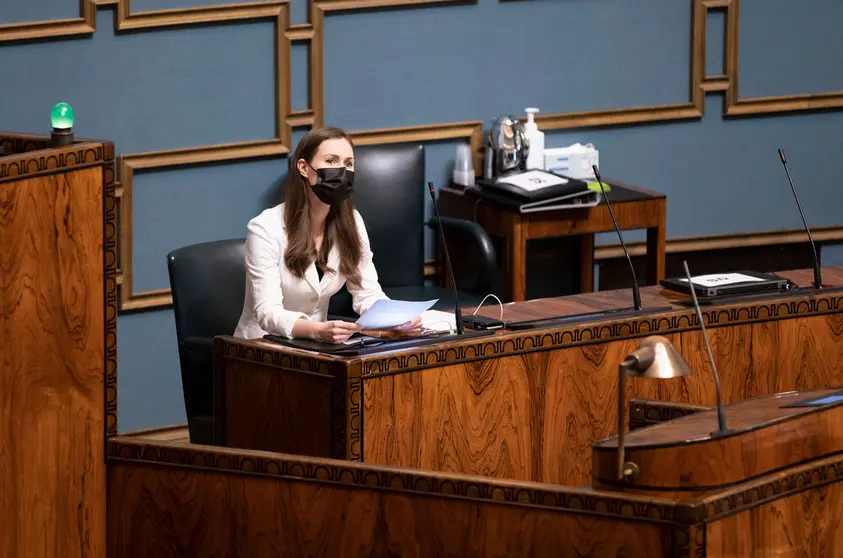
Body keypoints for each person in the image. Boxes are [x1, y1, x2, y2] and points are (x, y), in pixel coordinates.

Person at [234, 126, 421, 344]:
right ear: (304, 168)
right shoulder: (265, 228)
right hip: (262, 346)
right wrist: (315, 330)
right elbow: (268, 312)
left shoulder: (352, 221)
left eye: (348, 163)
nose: (341, 171)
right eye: (331, 161)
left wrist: (397, 319)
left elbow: (367, 293)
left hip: (320, 348)